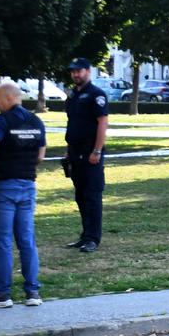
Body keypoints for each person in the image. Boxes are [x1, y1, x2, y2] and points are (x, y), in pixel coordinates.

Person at [0, 82, 47, 307]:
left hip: (4, 187)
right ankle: (33, 292)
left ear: (8, 98)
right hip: (28, 185)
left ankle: (3, 294)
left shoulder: (3, 120)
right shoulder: (36, 121)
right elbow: (41, 156)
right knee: (27, 240)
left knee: (4, 242)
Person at [62, 56, 108, 252]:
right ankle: (85, 235)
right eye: (73, 71)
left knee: (92, 195)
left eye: (79, 71)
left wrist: (97, 150)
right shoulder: (72, 96)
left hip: (91, 150)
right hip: (75, 151)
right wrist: (67, 151)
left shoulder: (96, 94)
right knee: (80, 195)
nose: (75, 74)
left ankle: (93, 238)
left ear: (88, 71)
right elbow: (72, 124)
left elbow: (102, 123)